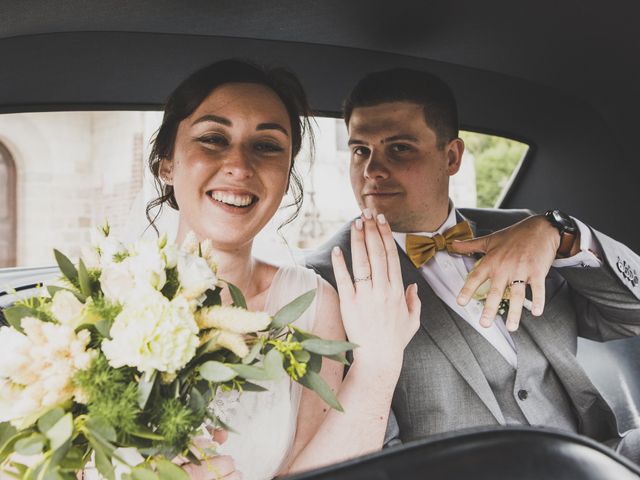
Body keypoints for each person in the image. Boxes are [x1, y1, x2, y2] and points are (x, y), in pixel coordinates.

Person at [306, 67, 640, 462]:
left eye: (399, 148)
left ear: (451, 157)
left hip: (596, 459)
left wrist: (562, 233)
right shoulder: (325, 281)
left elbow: (630, 314)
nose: (371, 170)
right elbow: (372, 450)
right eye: (360, 149)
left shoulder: (527, 231)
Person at [145, 59, 420, 479]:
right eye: (214, 138)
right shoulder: (104, 301)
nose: (239, 165)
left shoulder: (310, 304)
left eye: (267, 146)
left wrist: (379, 364)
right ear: (168, 163)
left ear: (286, 172)